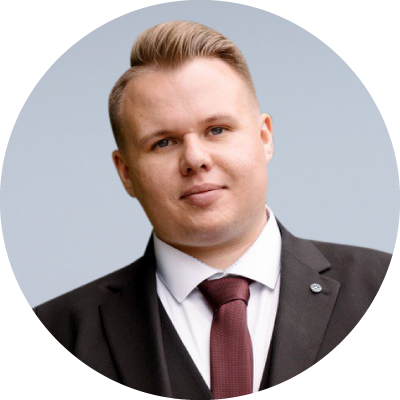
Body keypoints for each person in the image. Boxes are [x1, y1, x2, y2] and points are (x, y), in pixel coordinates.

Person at [33, 21, 391, 397]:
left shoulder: (376, 284)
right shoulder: (58, 330)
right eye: (163, 142)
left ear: (264, 138)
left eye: (216, 130)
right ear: (126, 173)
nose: (195, 159)